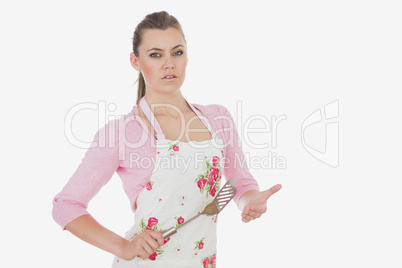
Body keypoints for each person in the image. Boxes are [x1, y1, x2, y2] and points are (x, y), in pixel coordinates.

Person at [52, 10, 282, 267]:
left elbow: (241, 183)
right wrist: (124, 246)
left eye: (177, 52)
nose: (169, 63)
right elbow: (66, 205)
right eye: (155, 55)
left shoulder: (219, 119)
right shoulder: (122, 133)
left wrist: (250, 202)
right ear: (135, 61)